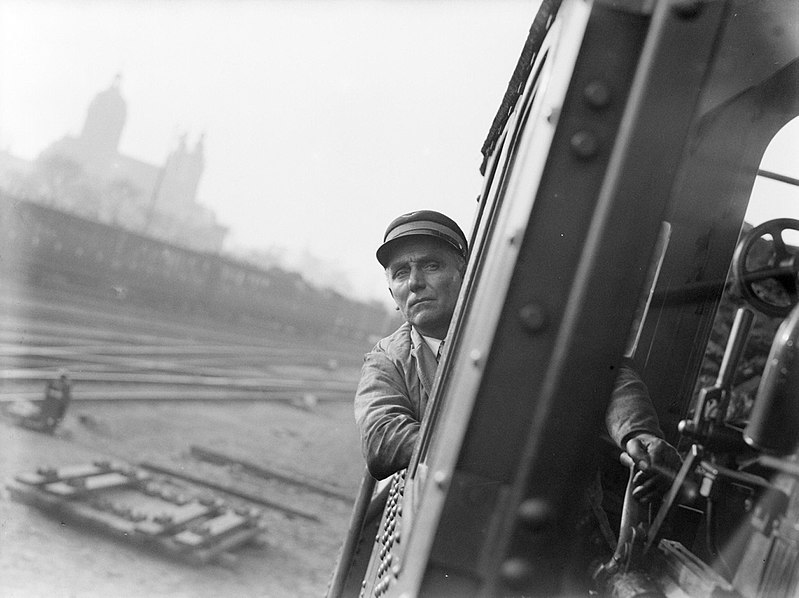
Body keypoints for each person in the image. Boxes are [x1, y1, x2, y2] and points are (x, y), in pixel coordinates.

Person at [354, 210, 680, 503]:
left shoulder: (521, 327)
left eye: (431, 265)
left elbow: (605, 375)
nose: (414, 282)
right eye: (400, 273)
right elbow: (382, 438)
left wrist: (638, 433)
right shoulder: (386, 359)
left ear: (466, 275)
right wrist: (490, 449)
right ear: (392, 295)